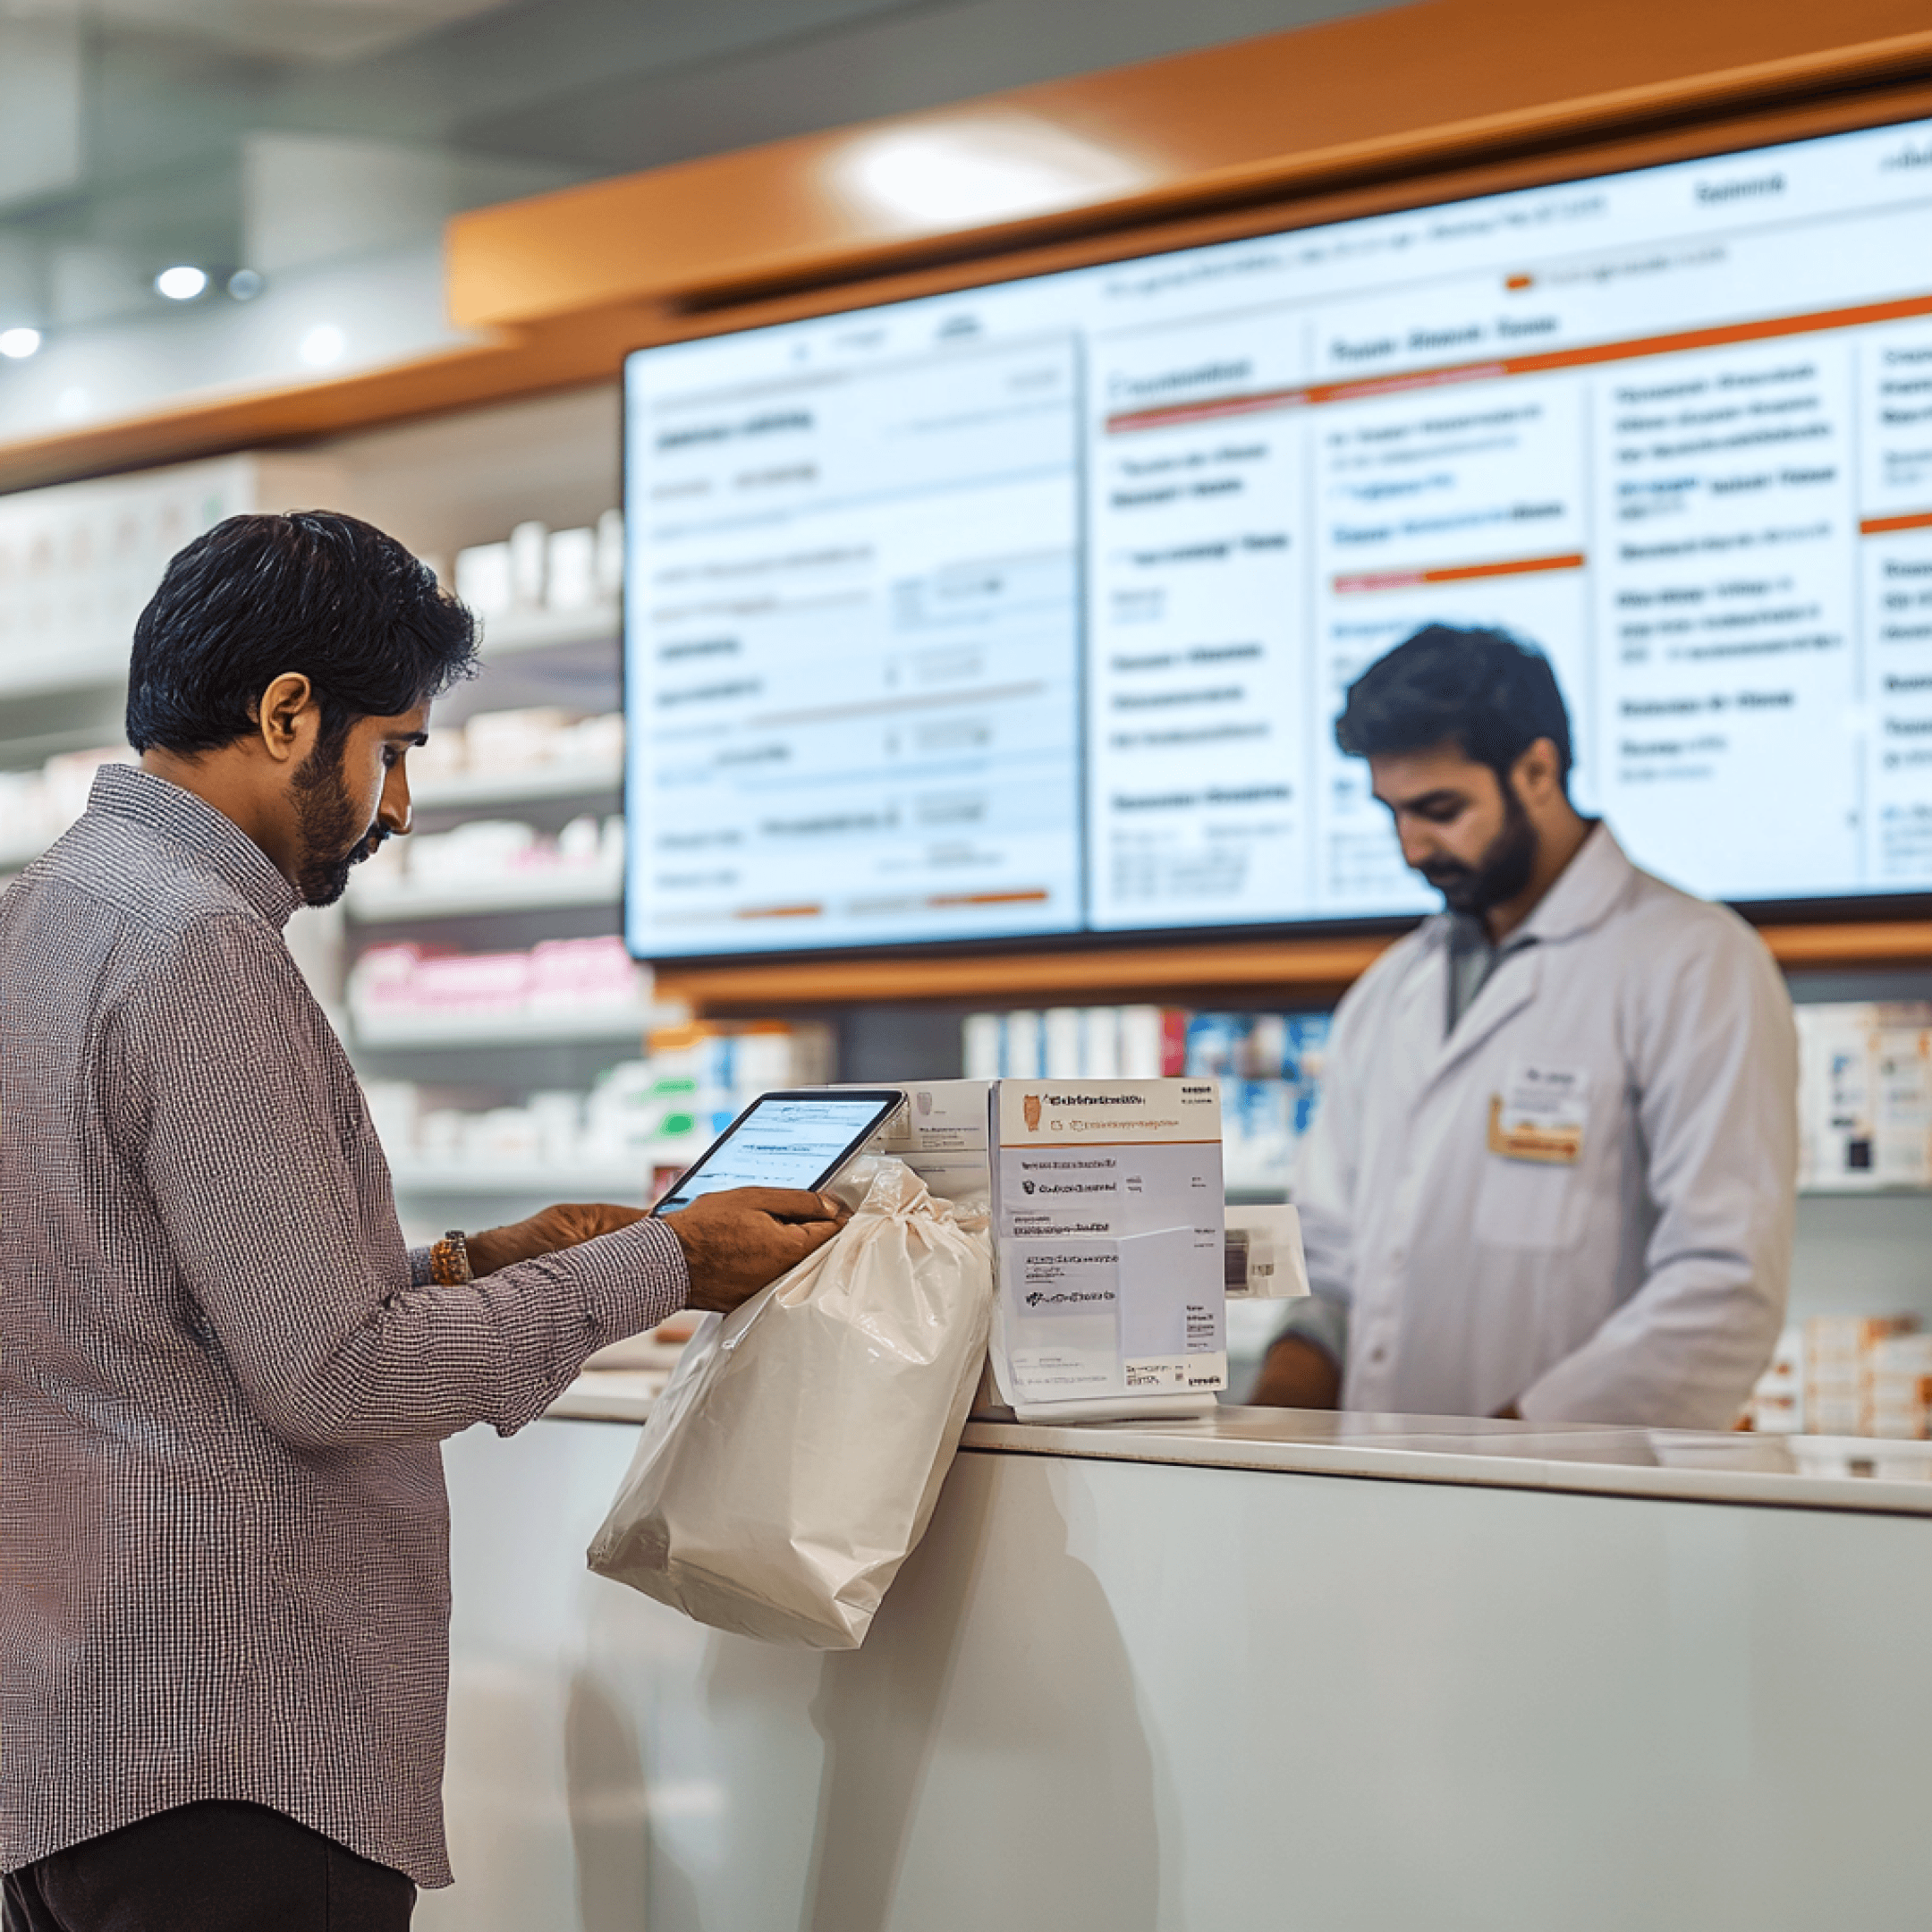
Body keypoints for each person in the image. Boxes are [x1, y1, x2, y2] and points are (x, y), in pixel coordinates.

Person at [0, 513, 848, 1932]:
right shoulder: (198, 947)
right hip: (226, 1752)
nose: (398, 808)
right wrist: (669, 1261)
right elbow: (337, 1376)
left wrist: (467, 1265)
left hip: (70, 1739)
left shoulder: (42, 917)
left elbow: (137, 1295)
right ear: (287, 715)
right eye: (393, 749)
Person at [1252, 623, 1796, 1428]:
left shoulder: (1694, 962)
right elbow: (1328, 1265)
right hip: (1380, 1502)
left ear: (1538, 769)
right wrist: (1266, 1439)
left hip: (1578, 1509)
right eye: (1393, 813)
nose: (1410, 847)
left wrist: (1516, 1455)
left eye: (1439, 810)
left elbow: (1722, 1286)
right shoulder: (1391, 990)